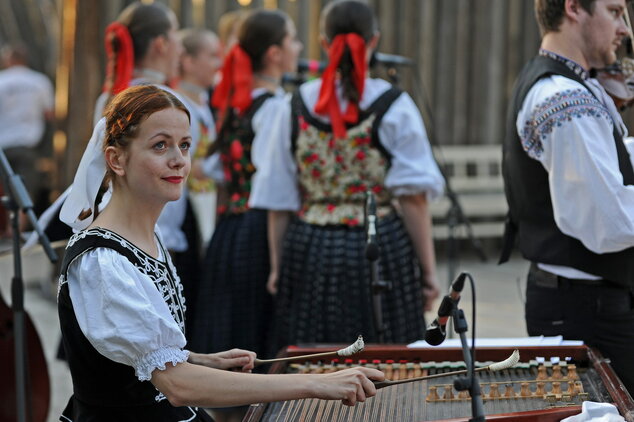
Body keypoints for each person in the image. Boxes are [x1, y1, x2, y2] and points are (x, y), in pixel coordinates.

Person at [56, 84, 383, 421]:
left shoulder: (144, 236)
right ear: (115, 159)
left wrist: (196, 359)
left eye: (184, 145)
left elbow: (134, 358)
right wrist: (316, 384)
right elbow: (178, 386)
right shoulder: (102, 262)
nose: (179, 161)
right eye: (160, 146)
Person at [249, 0, 444, 351]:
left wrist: (278, 267)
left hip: (309, 247)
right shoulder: (394, 105)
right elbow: (413, 199)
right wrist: (428, 273)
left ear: (324, 44)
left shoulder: (293, 105)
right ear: (374, 41)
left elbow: (278, 198)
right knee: (386, 351)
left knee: (312, 353)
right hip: (380, 245)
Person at [499, 0, 634, 394]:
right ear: (574, 8)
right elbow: (607, 223)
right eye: (613, 11)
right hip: (584, 310)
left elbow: (609, 159)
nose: (624, 27)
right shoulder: (563, 98)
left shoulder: (564, 84)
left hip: (581, 301)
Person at [188, 10, 302, 421]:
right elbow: (277, 179)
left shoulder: (237, 104)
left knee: (233, 323)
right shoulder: (274, 107)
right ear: (273, 54)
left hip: (229, 230)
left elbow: (211, 168)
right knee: (257, 327)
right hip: (259, 229)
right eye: (292, 40)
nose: (298, 48)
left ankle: (230, 410)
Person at [176, 28, 221, 258]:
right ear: (188, 61)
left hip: (204, 202)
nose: (218, 63)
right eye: (212, 55)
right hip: (185, 209)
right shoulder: (178, 105)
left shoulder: (203, 101)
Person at [0, 42, 54, 233]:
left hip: (3, 147)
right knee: (25, 189)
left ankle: (6, 230)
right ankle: (16, 231)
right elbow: (49, 114)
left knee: (5, 190)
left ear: (8, 60)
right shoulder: (39, 82)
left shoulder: (1, 81)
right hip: (27, 145)